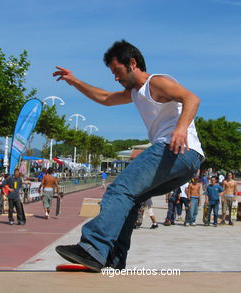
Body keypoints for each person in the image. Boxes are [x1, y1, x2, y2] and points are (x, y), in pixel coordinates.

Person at [53, 40, 204, 271]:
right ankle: (114, 257)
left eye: (117, 71)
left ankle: (92, 247)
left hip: (175, 149)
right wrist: (74, 82)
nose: (115, 77)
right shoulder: (135, 93)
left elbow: (192, 98)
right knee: (132, 198)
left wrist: (181, 128)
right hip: (188, 161)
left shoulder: (157, 82)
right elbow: (104, 98)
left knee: (119, 189)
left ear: (132, 63)